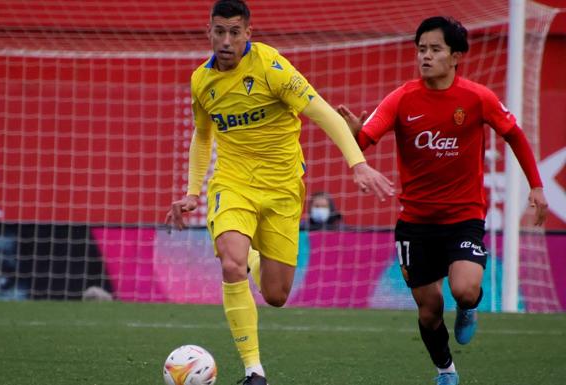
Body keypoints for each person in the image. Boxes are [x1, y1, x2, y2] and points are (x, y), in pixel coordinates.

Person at [165, 1, 394, 384]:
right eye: (218, 31)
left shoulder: (272, 68)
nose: (225, 40)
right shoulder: (201, 81)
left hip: (283, 188)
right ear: (208, 31)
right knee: (231, 261)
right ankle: (254, 371)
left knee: (275, 294)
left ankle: (254, 259)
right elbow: (203, 135)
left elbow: (322, 111)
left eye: (234, 32)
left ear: (248, 33)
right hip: (232, 184)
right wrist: (192, 191)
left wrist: (358, 163)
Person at [337, 16, 548, 385]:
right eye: (421, 49)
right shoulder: (402, 98)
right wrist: (354, 134)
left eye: (435, 49)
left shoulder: (477, 98)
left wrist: (536, 185)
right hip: (415, 222)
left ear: (455, 57)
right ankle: (445, 369)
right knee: (429, 309)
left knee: (464, 289)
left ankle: (469, 308)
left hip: (464, 216)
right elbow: (364, 141)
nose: (426, 56)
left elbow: (514, 134)